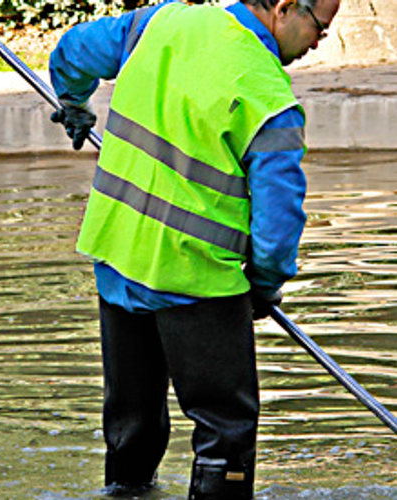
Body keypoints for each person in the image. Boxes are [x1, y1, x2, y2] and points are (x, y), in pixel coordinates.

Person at [49, 0, 340, 498]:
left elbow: (72, 53)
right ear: (286, 8)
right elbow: (277, 225)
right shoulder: (269, 100)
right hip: (196, 282)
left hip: (119, 261)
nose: (318, 43)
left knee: (131, 423)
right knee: (224, 434)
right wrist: (265, 287)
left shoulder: (160, 21)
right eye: (320, 29)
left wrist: (75, 103)